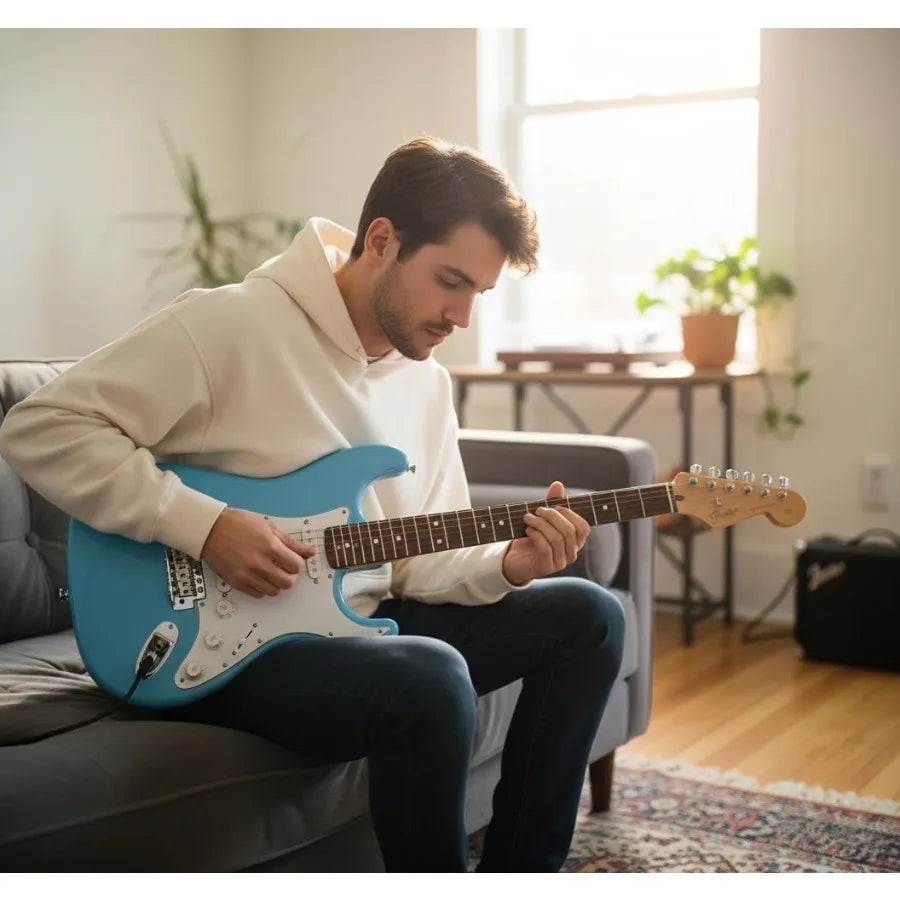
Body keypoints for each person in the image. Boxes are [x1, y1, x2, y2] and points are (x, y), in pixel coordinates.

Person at [0, 136, 625, 872]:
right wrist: (205, 526)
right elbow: (41, 425)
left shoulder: (425, 383)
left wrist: (509, 564)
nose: (462, 316)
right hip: (225, 645)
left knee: (591, 616)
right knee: (428, 676)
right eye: (450, 281)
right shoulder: (230, 325)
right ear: (382, 241)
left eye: (478, 294)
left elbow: (418, 565)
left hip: (359, 624)